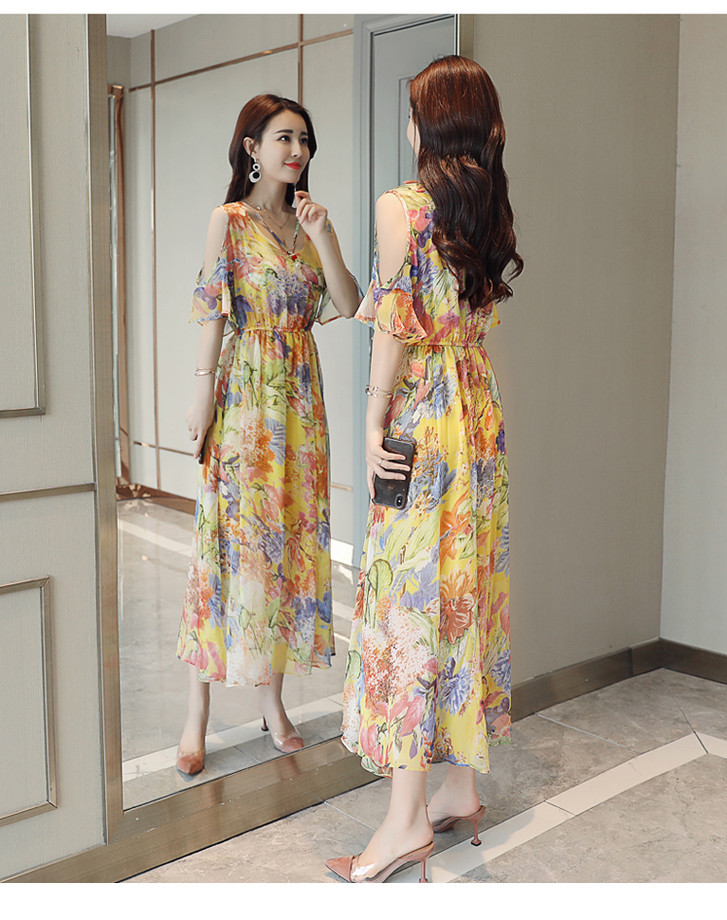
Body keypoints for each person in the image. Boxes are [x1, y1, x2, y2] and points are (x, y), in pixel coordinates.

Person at [326, 55, 523, 883]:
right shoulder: (489, 204)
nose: (408, 126)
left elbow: (395, 327)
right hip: (477, 415)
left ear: (430, 124)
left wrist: (373, 417)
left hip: (426, 421)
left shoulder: (402, 206)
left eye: (414, 113)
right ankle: (460, 785)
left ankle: (405, 822)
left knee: (406, 604)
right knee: (464, 588)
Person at [176, 94, 360, 775]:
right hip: (245, 401)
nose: (297, 150)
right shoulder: (229, 221)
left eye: (304, 140)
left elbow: (349, 304)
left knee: (285, 549)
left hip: (302, 409)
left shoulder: (309, 225)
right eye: (284, 137)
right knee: (224, 550)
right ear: (252, 147)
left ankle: (272, 702)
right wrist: (201, 396)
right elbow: (213, 313)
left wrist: (325, 235)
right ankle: (195, 713)